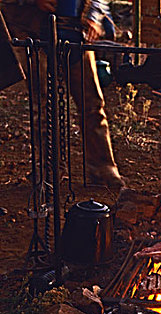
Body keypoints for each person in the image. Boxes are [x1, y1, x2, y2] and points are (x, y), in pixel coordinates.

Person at [0, 0, 124, 187]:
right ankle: (48, 172)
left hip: (75, 29)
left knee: (92, 102)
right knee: (43, 105)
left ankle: (103, 169)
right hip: (29, 28)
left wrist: (93, 17)